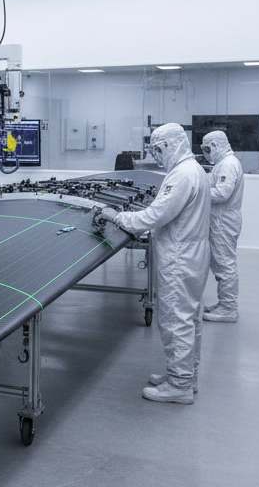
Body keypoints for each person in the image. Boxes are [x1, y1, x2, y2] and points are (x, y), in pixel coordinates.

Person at [99, 123, 211, 404]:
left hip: (179, 256)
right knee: (189, 318)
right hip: (193, 251)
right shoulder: (194, 169)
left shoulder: (182, 175)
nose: (156, 156)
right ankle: (186, 376)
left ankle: (179, 385)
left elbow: (154, 217)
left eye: (158, 150)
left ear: (171, 145)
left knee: (176, 320)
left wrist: (116, 216)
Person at [200, 129, 244, 323]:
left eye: (207, 149)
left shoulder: (228, 164)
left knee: (225, 264)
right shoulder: (222, 163)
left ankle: (228, 309)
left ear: (215, 145)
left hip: (223, 220)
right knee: (220, 263)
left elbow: (222, 193)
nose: (205, 153)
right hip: (220, 219)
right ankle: (224, 303)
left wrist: (197, 193)